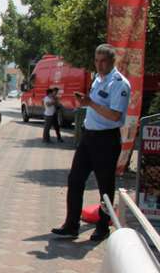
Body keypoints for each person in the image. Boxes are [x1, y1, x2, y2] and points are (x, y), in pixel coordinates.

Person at [52, 44, 131, 241]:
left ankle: (103, 227)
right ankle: (71, 225)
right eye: (96, 60)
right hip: (89, 137)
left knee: (105, 186)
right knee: (75, 179)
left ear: (112, 61)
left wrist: (91, 104)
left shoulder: (119, 83)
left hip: (106, 139)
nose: (99, 64)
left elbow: (114, 115)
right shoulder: (98, 79)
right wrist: (87, 103)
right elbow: (94, 107)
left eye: (103, 61)